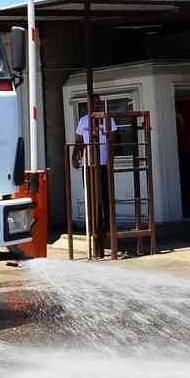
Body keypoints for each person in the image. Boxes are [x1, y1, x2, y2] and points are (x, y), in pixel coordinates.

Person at [72, 95, 119, 257]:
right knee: (91, 198)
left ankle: (106, 231)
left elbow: (114, 139)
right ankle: (93, 229)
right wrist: (74, 155)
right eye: (93, 103)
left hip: (104, 164)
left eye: (98, 103)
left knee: (105, 197)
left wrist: (112, 159)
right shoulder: (83, 120)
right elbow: (79, 141)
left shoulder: (107, 119)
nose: (96, 105)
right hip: (89, 165)